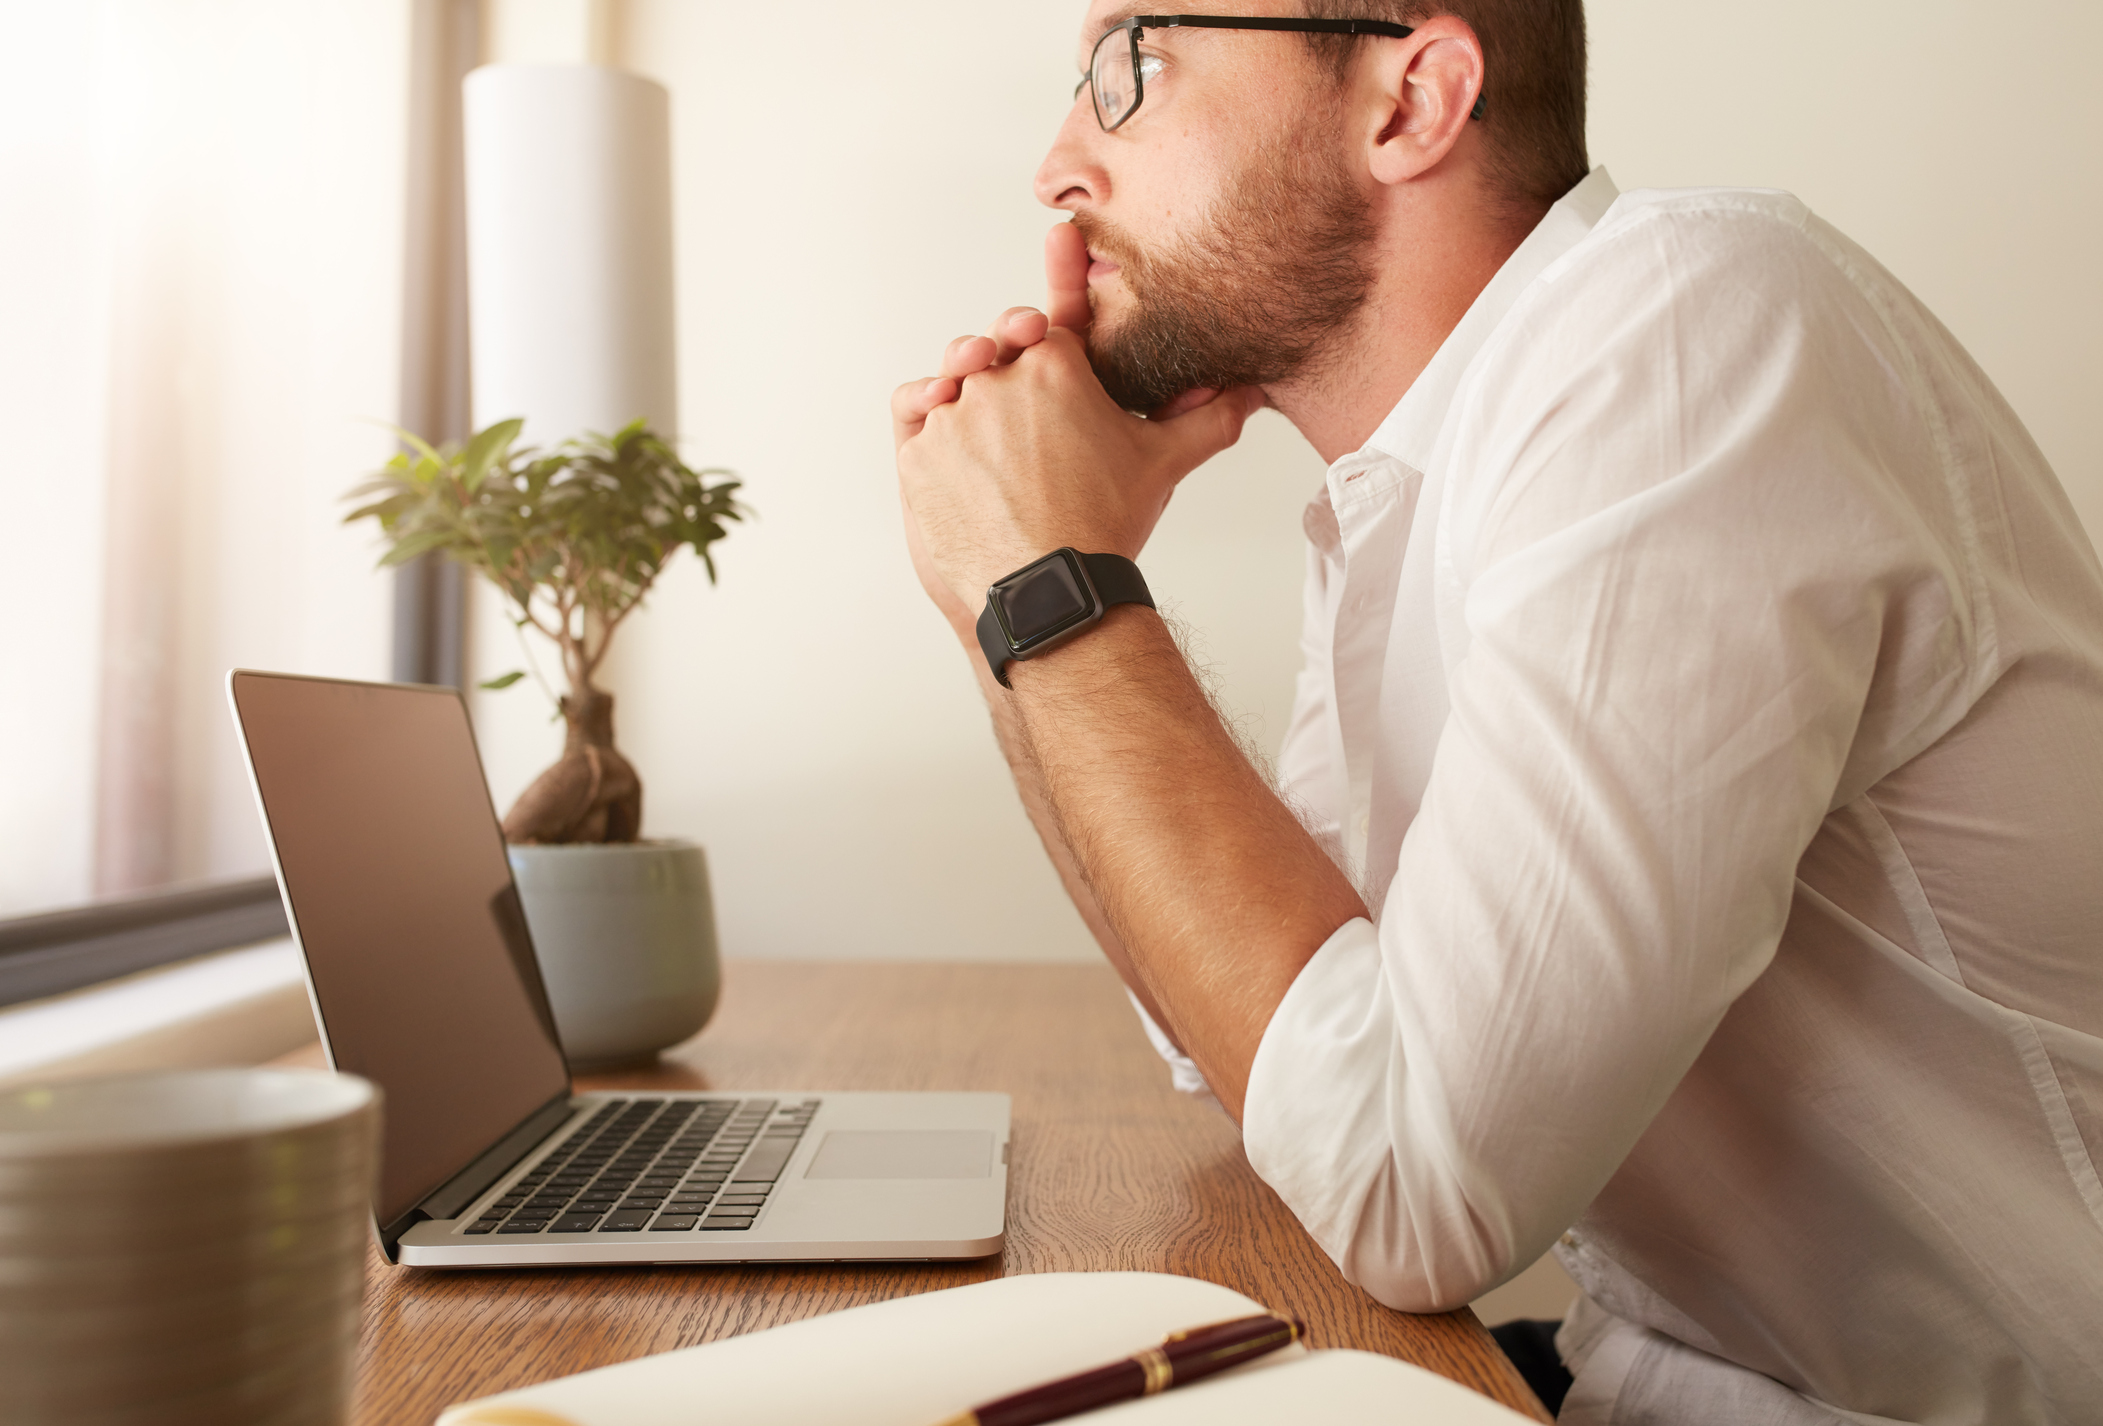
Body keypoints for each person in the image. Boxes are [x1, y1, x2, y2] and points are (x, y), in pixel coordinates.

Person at [888, 3, 2103, 1421]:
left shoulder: (1678, 334)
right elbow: (1250, 1052)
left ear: (1413, 101)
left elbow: (1408, 1179)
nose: (1056, 166)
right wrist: (1009, 594)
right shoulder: (1414, 488)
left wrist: (1053, 584)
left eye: (1132, 66)